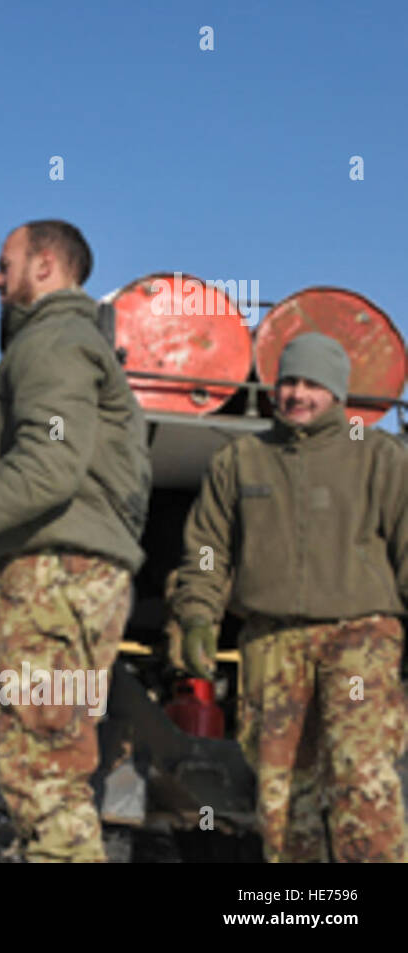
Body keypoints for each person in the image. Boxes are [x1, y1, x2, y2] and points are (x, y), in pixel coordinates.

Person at [0, 220, 151, 862]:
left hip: (54, 579)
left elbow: (50, 461)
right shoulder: (80, 344)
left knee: (41, 775)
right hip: (63, 576)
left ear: (44, 266)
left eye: (4, 263)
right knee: (55, 770)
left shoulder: (53, 341)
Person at [169, 332, 408, 862]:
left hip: (360, 639)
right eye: (289, 381)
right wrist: (197, 617)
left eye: (313, 384)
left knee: (361, 780)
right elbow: (208, 549)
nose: (298, 393)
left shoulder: (379, 457)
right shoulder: (242, 460)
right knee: (279, 796)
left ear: (338, 393)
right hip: (270, 643)